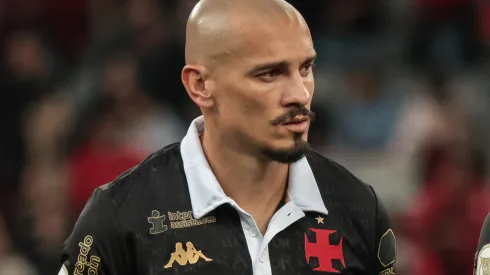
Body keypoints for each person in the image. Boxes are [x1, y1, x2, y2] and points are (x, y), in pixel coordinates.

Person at [58, 0, 396, 274]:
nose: (299, 93)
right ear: (200, 86)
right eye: (270, 73)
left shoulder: (359, 209)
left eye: (305, 68)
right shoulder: (121, 216)